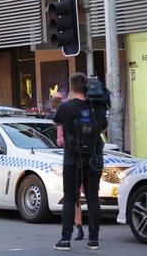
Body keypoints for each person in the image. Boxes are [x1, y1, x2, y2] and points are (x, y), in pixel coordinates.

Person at [52, 73, 107, 251]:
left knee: (70, 198)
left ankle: (65, 240)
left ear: (71, 88)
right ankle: (93, 240)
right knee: (92, 197)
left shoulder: (65, 107)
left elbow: (56, 123)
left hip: (72, 159)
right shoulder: (96, 106)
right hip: (94, 157)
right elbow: (103, 126)